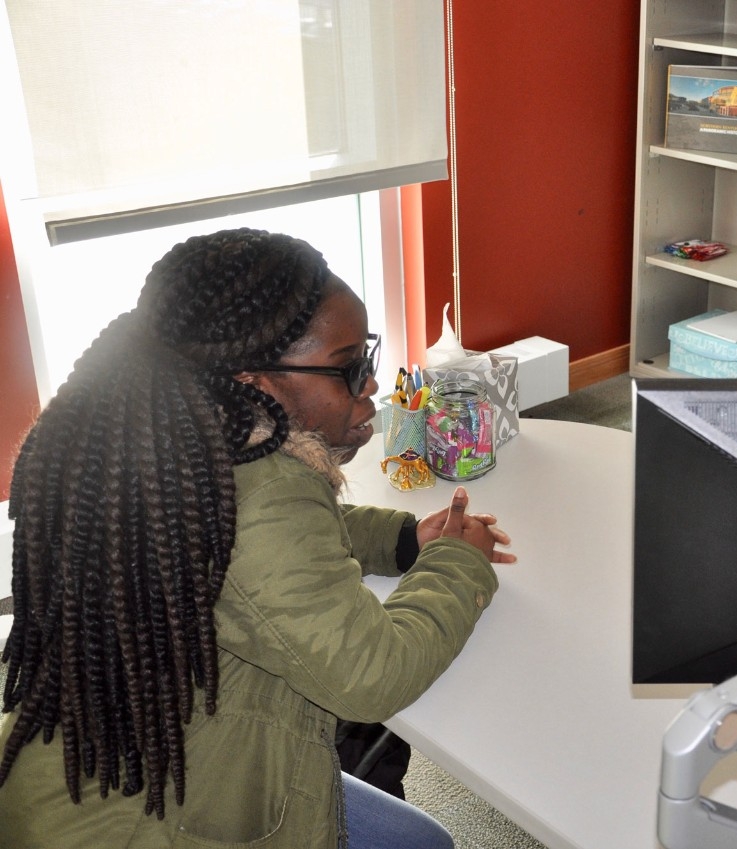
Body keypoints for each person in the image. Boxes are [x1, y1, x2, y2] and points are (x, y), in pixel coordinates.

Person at [0, 228, 515, 848]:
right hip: (137, 823)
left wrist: (402, 541)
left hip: (105, 766)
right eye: (349, 368)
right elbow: (373, 674)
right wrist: (459, 563)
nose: (371, 385)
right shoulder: (262, 488)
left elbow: (248, 544)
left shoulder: (180, 449)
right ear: (253, 382)